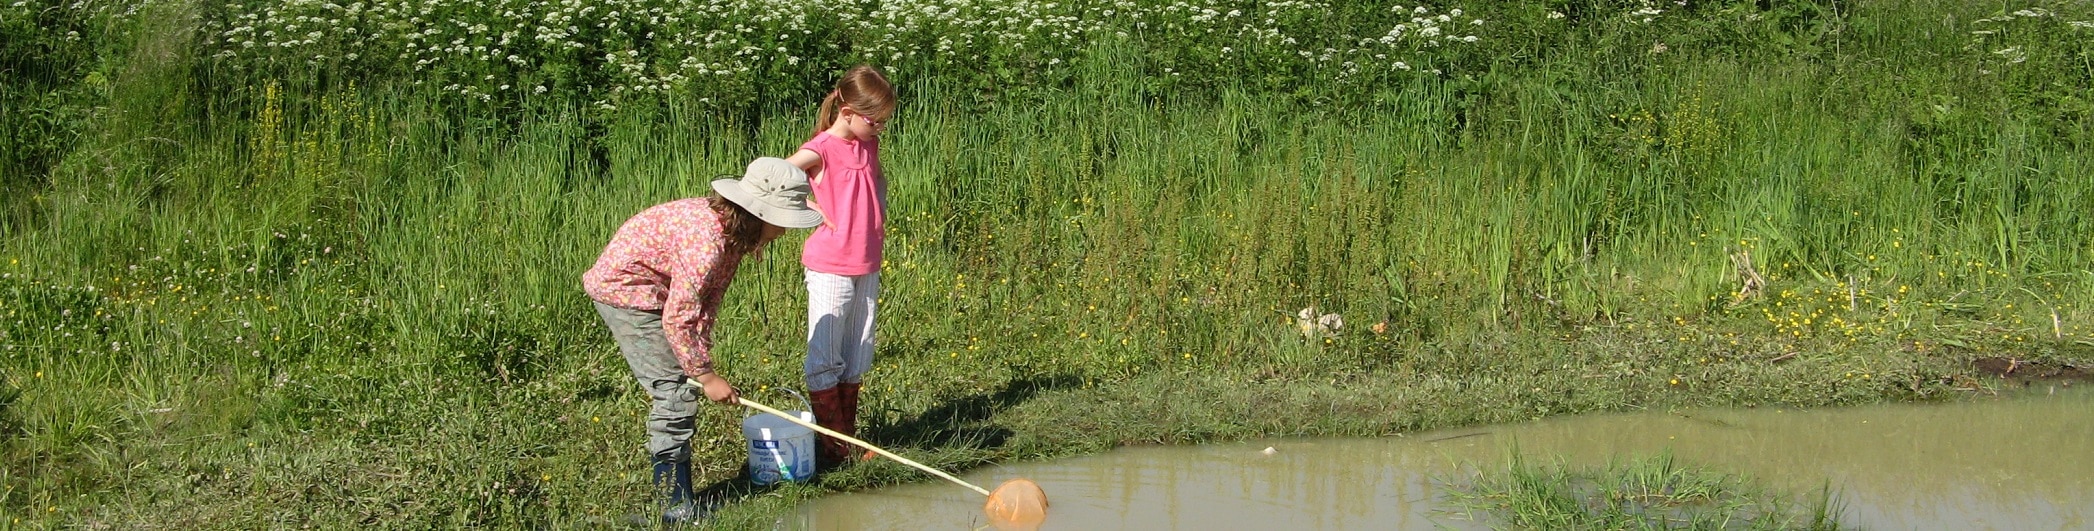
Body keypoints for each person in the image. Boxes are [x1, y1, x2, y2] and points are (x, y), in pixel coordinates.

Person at [583, 157, 823, 524]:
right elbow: (678, 317)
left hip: (660, 296)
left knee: (684, 381)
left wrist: (701, 353)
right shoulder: (707, 242)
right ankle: (674, 507)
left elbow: (706, 300)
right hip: (627, 294)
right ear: (759, 213)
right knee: (676, 391)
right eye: (783, 221)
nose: (785, 231)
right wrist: (706, 376)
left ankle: (675, 500)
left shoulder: (734, 234)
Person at [784, 65, 896, 470]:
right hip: (831, 264)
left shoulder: (869, 146)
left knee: (857, 353)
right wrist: (810, 208)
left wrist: (877, 214)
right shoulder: (820, 148)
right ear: (846, 111)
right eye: (874, 120)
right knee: (825, 356)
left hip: (867, 261)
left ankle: (845, 441)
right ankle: (832, 450)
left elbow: (877, 182)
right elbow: (777, 177)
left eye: (884, 121)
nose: (879, 128)